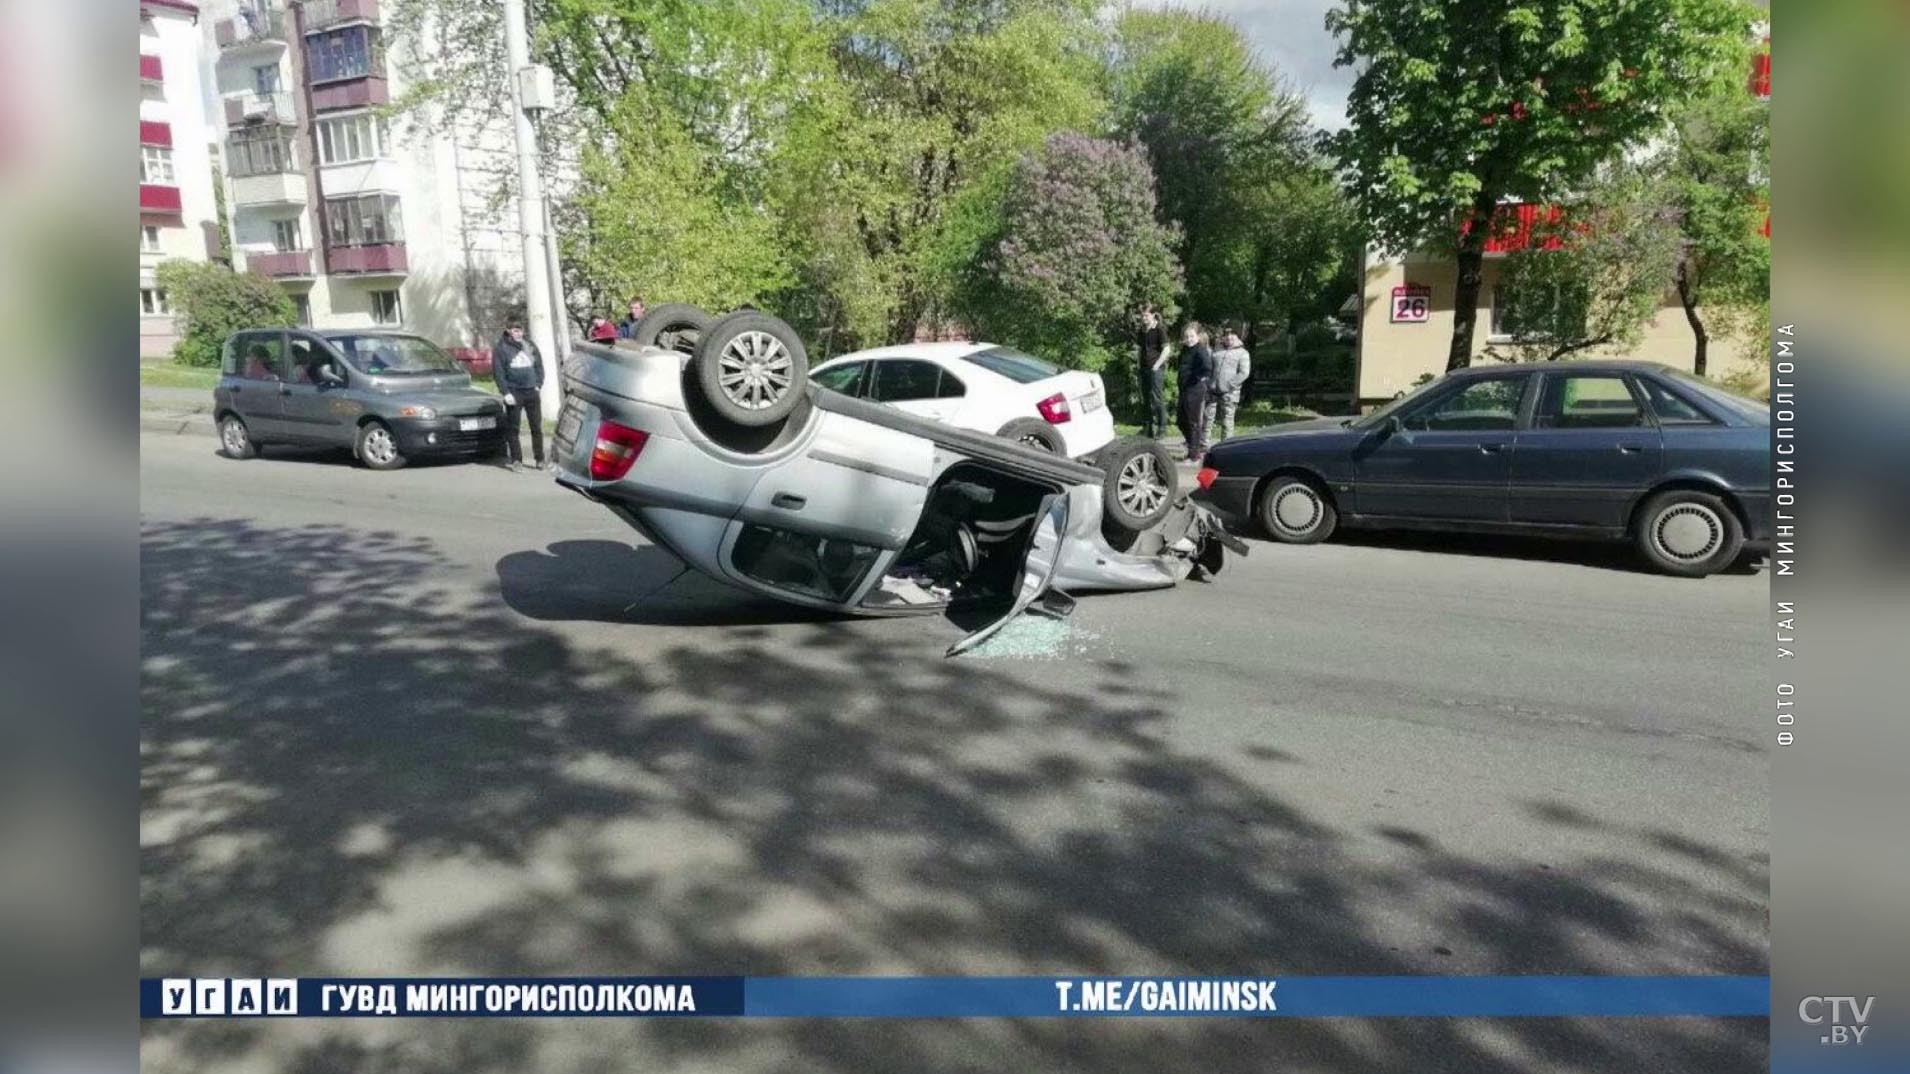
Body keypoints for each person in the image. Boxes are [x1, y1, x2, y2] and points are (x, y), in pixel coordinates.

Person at [492, 321, 546, 471]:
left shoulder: (529, 345)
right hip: (514, 392)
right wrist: (506, 392)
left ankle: (540, 459)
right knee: (513, 428)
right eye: (515, 331)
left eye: (520, 330)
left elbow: (539, 366)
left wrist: (538, 384)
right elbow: (498, 372)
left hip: (531, 391)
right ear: (508, 331)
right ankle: (517, 460)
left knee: (536, 427)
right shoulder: (501, 348)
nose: (518, 334)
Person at [1205, 326, 1252, 446]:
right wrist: (1208, 381)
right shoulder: (1217, 349)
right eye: (1227, 334)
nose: (1229, 337)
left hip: (1230, 392)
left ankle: (1226, 446)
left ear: (1238, 337)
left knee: (1227, 421)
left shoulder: (1243, 353)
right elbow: (1210, 366)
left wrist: (1229, 384)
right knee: (1207, 418)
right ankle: (1203, 444)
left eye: (1232, 334)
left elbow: (1244, 373)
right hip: (1212, 389)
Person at [1175, 323, 1214, 460]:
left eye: (1191, 336)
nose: (1189, 339)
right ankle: (1192, 443)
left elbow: (1207, 368)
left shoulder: (1200, 350)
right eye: (1186, 336)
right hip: (1184, 389)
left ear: (1197, 336)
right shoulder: (1185, 349)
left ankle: (1194, 453)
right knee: (1180, 420)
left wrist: (1196, 378)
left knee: (1193, 422)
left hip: (1195, 389)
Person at [1136, 306, 1168, 438]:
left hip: (1156, 369)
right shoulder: (1142, 331)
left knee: (1157, 398)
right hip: (1143, 368)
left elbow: (1167, 349)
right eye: (1142, 316)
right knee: (1145, 399)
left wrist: (1157, 365)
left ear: (1153, 315)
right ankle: (1148, 428)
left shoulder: (1159, 330)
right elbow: (1140, 350)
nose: (1144, 318)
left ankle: (1162, 427)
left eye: (1146, 316)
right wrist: (1138, 363)